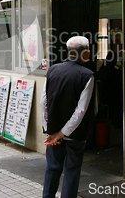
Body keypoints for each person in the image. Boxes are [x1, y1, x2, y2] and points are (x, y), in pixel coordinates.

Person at [41, 36, 95, 198]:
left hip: (53, 131)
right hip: (75, 134)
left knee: (52, 168)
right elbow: (81, 111)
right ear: (85, 53)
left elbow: (44, 102)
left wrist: (50, 131)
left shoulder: (52, 70)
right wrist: (62, 133)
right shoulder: (87, 75)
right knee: (72, 170)